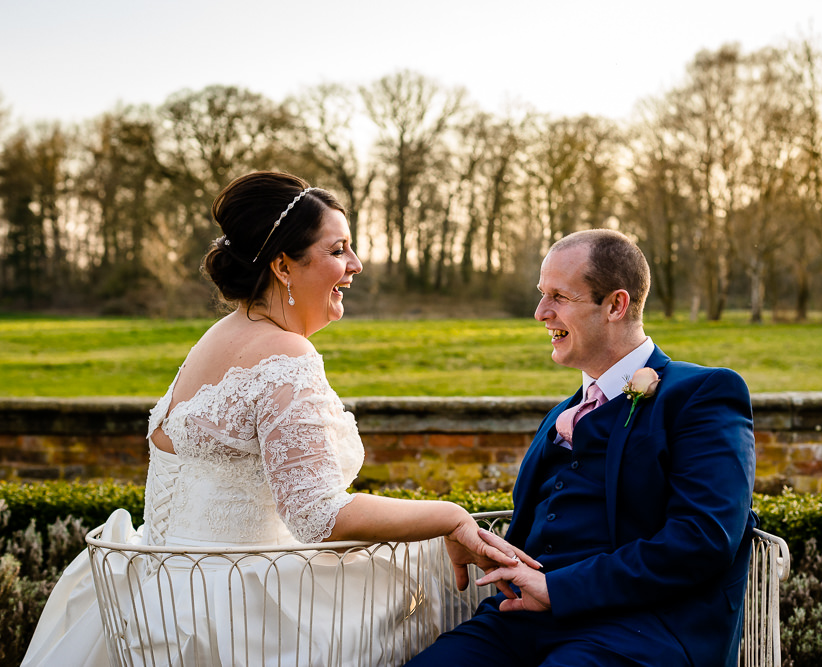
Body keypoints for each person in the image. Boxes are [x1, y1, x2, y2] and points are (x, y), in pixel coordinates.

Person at [22, 171, 535, 667]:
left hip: (162, 592)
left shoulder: (219, 335)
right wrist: (449, 515)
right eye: (337, 250)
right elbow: (318, 515)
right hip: (240, 608)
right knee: (446, 587)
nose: (355, 263)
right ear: (283, 266)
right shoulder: (286, 356)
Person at [406, 229, 757, 667]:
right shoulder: (561, 413)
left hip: (640, 629)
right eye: (541, 294)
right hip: (519, 622)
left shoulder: (702, 394)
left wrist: (559, 590)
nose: (540, 312)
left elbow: (704, 537)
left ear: (616, 305)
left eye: (559, 296)